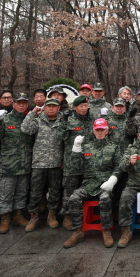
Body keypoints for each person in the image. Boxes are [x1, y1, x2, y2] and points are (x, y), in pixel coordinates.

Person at [64, 118, 122, 248]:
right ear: (93, 131)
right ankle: (77, 231)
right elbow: (75, 167)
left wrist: (112, 180)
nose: (100, 132)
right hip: (88, 184)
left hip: (105, 184)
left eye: (102, 130)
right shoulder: (86, 146)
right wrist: (76, 149)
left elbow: (119, 166)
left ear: (107, 131)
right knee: (73, 198)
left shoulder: (113, 147)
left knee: (105, 199)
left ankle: (106, 231)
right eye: (97, 130)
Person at [0, 92, 34, 234]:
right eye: (18, 103)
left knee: (21, 193)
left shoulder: (29, 119)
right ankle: (4, 218)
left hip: (25, 164)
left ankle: (18, 215)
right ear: (14, 104)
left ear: (27, 104)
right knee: (6, 194)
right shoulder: (5, 119)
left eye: (24, 103)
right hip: (9, 165)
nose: (21, 105)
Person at [21, 97, 64, 231]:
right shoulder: (38, 121)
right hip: (39, 163)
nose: (51, 108)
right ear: (45, 107)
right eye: (49, 106)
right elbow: (25, 129)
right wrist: (32, 113)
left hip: (56, 163)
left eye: (54, 106)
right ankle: (34, 217)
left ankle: (51, 215)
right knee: (35, 192)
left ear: (58, 108)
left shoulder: (63, 122)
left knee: (55, 191)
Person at [55, 95, 94, 231]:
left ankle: (83, 216)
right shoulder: (68, 120)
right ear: (75, 107)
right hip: (71, 162)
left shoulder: (92, 119)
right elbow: (59, 137)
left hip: (88, 162)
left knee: (87, 190)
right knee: (69, 191)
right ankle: (68, 215)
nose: (84, 109)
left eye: (85, 106)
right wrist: (64, 123)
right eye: (80, 106)